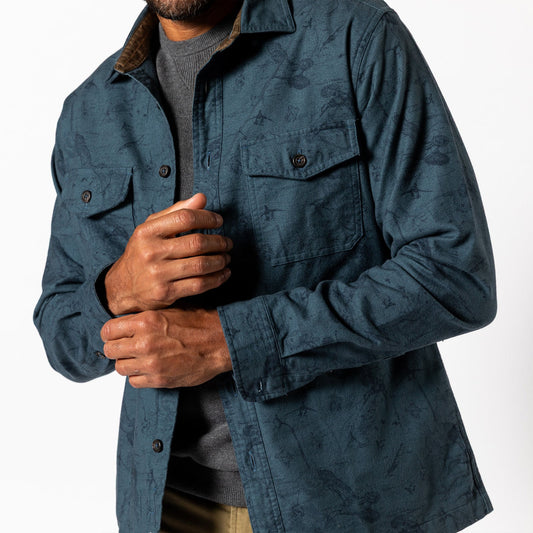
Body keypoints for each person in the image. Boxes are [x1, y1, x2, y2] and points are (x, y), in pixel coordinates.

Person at [34, 0, 497, 531]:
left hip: (350, 505)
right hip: (166, 507)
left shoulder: (354, 39)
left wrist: (231, 342)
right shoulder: (89, 112)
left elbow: (455, 276)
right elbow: (62, 335)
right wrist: (119, 288)